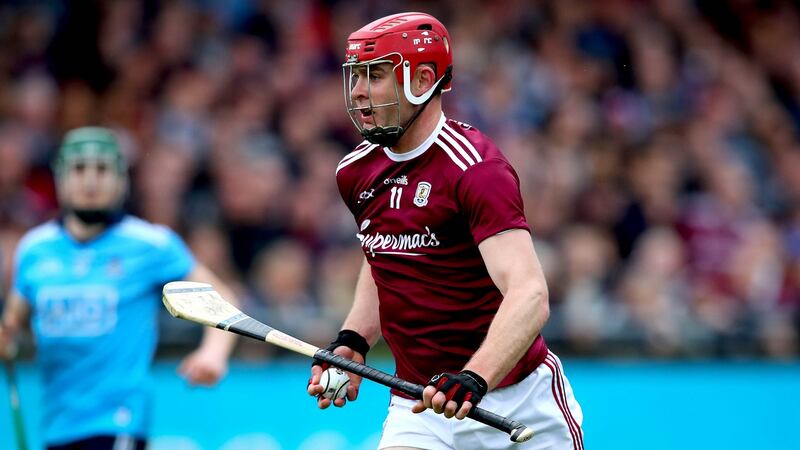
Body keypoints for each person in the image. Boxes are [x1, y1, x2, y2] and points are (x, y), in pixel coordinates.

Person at [307, 12, 584, 450]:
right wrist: (353, 340)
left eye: (375, 76)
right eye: (356, 76)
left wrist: (474, 377)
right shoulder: (355, 171)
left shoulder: (476, 169)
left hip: (515, 403)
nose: (358, 91)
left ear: (422, 79)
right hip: (418, 408)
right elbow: (384, 256)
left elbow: (530, 294)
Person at [0, 127, 239, 450]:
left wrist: (213, 354)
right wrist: (7, 336)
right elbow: (12, 323)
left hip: (118, 421)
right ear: (60, 178)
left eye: (102, 169)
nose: (90, 181)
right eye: (79, 169)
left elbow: (222, 298)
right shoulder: (34, 249)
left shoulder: (150, 244)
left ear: (120, 180)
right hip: (56, 425)